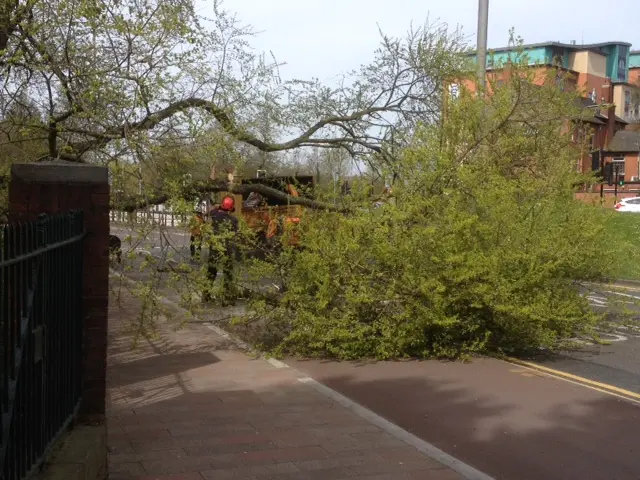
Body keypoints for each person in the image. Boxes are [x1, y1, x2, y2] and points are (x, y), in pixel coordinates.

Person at [204, 195, 238, 303]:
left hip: (215, 248)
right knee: (227, 274)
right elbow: (235, 234)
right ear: (231, 208)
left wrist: (218, 207)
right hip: (227, 250)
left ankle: (206, 295)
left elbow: (212, 211)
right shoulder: (233, 220)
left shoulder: (214, 214)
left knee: (211, 272)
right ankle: (227, 298)